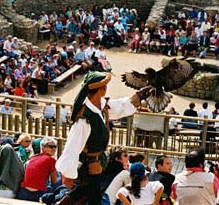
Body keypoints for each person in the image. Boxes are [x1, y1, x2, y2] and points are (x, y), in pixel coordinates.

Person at [56, 71, 151, 204]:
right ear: (101, 89)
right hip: (89, 165)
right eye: (104, 86)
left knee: (82, 192)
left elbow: (119, 107)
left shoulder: (101, 105)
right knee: (94, 197)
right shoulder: (84, 118)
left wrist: (138, 96)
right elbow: (72, 147)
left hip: (98, 162)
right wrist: (69, 174)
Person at [16, 136, 58, 202]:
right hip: (38, 194)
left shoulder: (32, 158)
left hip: (23, 192)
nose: (54, 149)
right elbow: (54, 182)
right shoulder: (51, 160)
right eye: (51, 146)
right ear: (43, 147)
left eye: (55, 147)